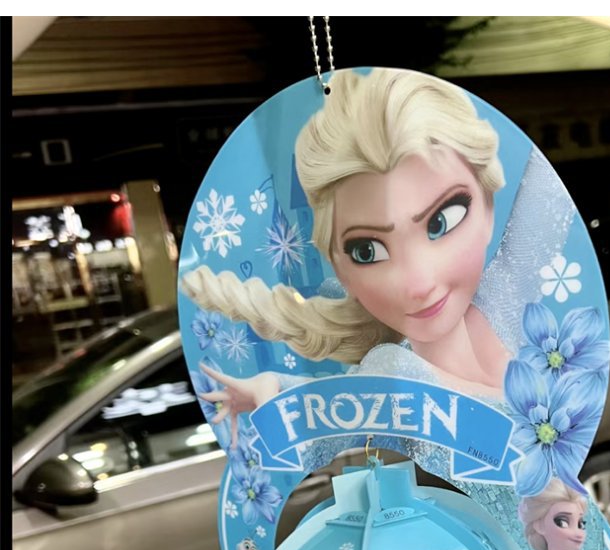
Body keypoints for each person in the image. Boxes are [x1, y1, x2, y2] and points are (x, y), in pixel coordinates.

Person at [181, 67, 512, 445]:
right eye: (367, 251)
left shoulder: (512, 293)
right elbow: (341, 408)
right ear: (339, 267)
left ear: (489, 206)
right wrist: (275, 391)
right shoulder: (394, 369)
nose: (419, 284)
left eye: (442, 222)